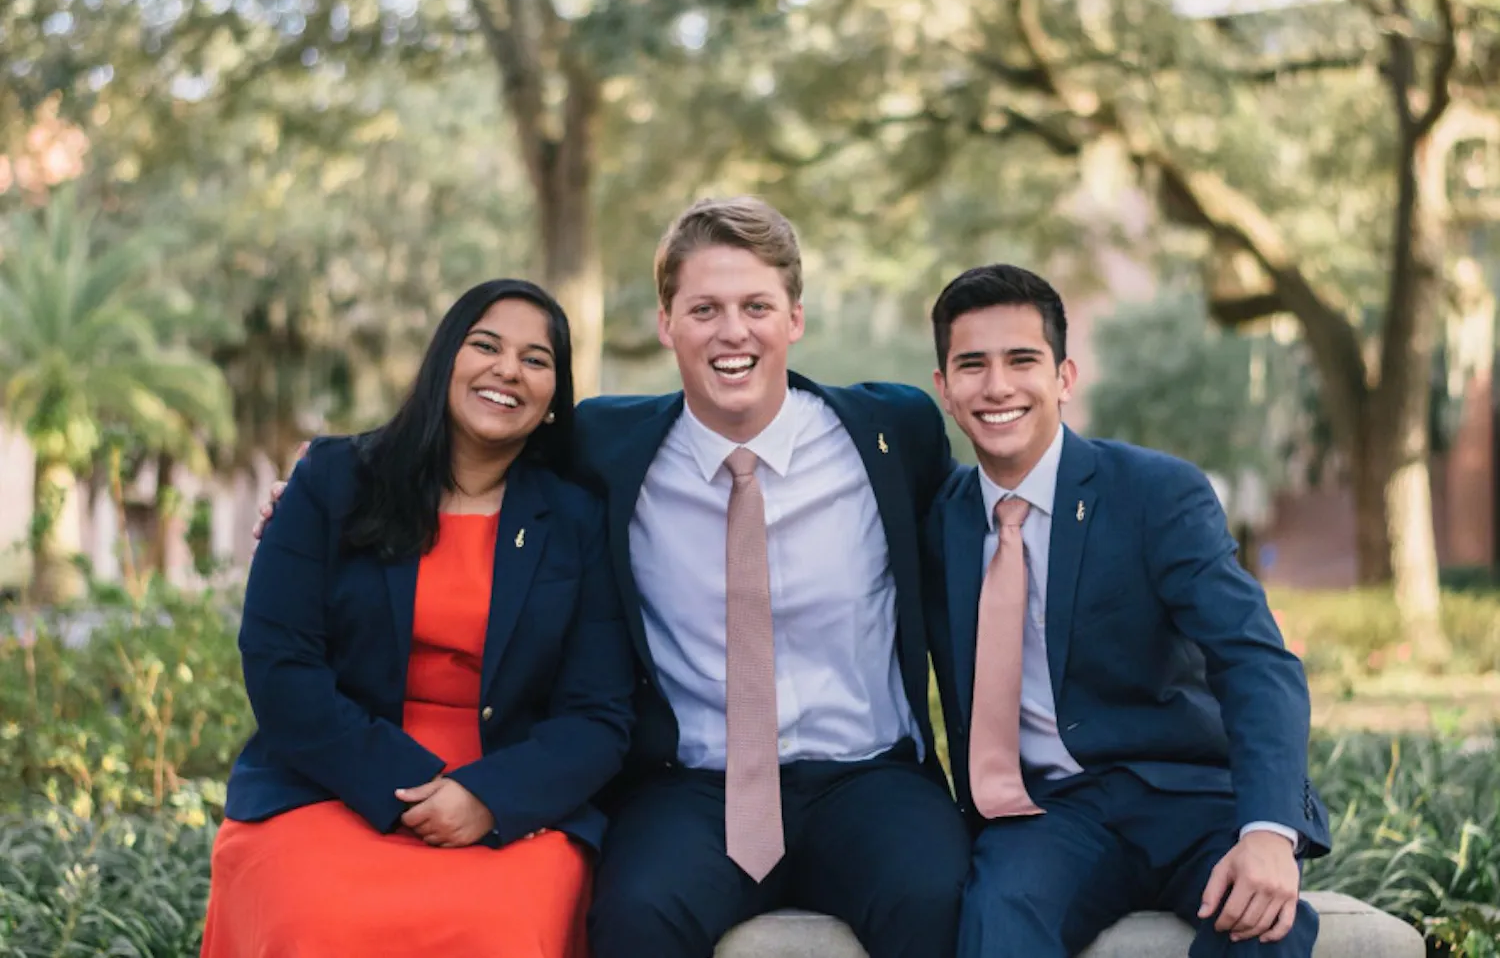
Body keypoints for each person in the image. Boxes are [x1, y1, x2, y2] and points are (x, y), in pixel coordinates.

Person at [573, 197, 971, 958]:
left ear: (794, 318)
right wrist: (323, 494)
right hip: (692, 786)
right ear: (666, 323)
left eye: (757, 305)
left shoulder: (894, 433)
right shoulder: (603, 444)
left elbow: (994, 498)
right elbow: (464, 449)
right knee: (633, 915)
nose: (732, 331)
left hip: (868, 777)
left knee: (941, 901)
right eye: (704, 308)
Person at [205, 278, 634, 958]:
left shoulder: (577, 520)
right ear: (444, 362)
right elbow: (280, 664)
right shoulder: (333, 481)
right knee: (316, 926)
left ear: (555, 397)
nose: (508, 370)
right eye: (485, 345)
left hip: (511, 801)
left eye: (536, 359)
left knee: (499, 932)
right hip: (331, 779)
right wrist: (402, 787)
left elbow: (598, 715)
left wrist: (485, 798)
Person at [920, 263, 1331, 958]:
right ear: (945, 389)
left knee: (1265, 925)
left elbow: (1253, 660)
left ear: (1064, 377)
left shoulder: (1154, 493)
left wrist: (1267, 831)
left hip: (1193, 795)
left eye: (1023, 359)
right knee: (997, 920)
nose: (997, 386)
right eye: (972, 365)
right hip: (1049, 814)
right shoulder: (938, 523)